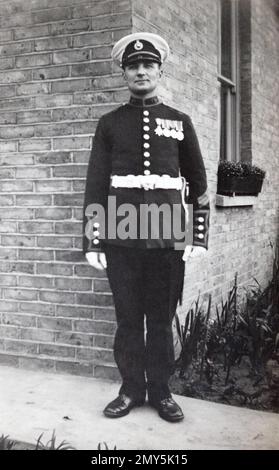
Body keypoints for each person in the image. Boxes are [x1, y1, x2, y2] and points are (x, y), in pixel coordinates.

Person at [82, 32, 210, 422]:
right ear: (124, 73)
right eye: (133, 66)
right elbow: (96, 184)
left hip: (168, 235)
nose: (141, 71)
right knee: (127, 320)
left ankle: (162, 391)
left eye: (148, 65)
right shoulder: (109, 124)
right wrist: (93, 240)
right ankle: (130, 390)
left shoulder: (179, 121)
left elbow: (199, 184)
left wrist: (197, 235)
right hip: (121, 236)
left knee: (159, 319)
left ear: (159, 71)